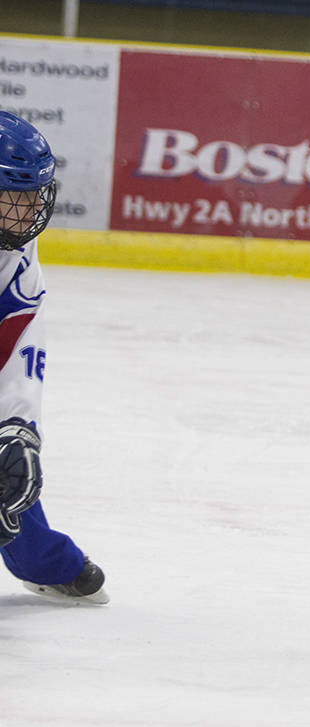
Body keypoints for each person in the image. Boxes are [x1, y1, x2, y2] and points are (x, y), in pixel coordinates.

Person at [0, 110, 108, 604]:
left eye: (32, 197)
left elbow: (19, 335)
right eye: (14, 196)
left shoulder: (14, 250)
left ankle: (43, 560)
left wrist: (17, 431)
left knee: (10, 475)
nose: (28, 212)